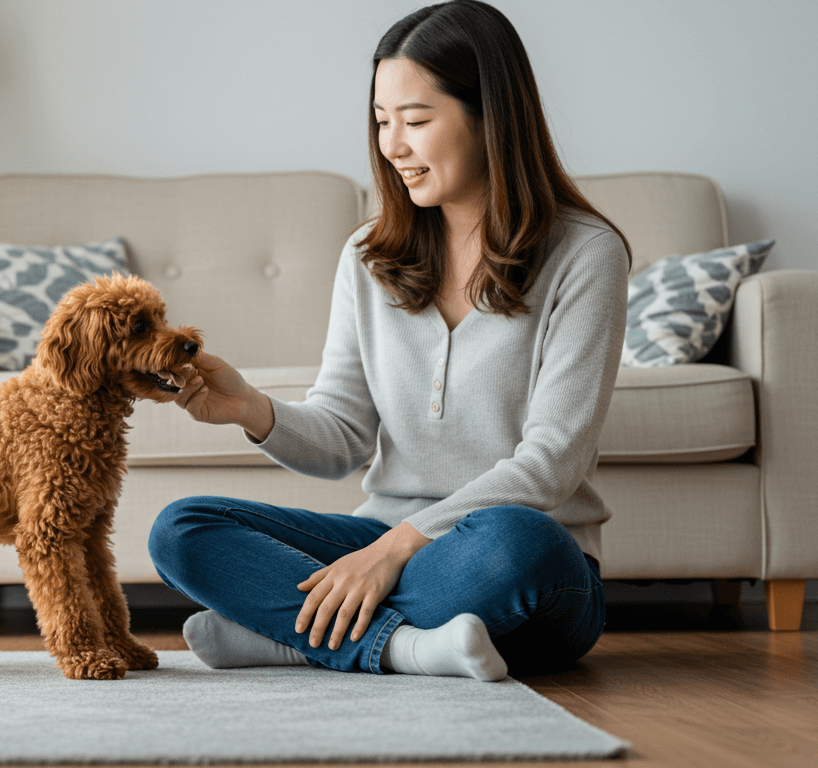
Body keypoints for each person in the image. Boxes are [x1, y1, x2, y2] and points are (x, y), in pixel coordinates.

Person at [147, 0, 633, 681]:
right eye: (381, 121)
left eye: (416, 120)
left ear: (491, 115)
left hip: (517, 565)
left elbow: (550, 465)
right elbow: (343, 438)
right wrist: (251, 409)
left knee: (520, 542)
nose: (392, 146)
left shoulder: (586, 253)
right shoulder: (367, 256)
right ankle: (405, 647)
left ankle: (296, 637)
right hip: (384, 540)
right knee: (182, 529)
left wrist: (397, 548)